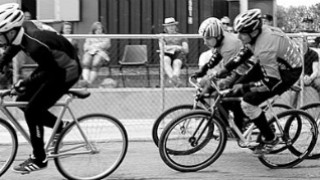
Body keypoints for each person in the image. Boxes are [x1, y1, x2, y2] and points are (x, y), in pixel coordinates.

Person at [0, 3, 82, 173]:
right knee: (22, 100)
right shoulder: (21, 32)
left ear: (11, 31)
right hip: (52, 64)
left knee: (32, 110)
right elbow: (13, 48)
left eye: (0, 35)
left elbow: (49, 73)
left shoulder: (35, 45)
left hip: (66, 72)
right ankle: (60, 127)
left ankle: (39, 158)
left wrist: (24, 83)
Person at [208, 9, 302, 155]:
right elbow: (243, 54)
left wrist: (245, 87)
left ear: (253, 32)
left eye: (242, 33)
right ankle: (247, 121)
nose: (238, 37)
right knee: (235, 87)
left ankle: (271, 138)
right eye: (237, 32)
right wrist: (224, 70)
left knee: (248, 102)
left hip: (287, 73)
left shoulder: (264, 48)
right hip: (274, 62)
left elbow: (270, 82)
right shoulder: (257, 35)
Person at [192, 17, 254, 130]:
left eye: (208, 38)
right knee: (223, 98)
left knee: (222, 97)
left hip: (247, 73)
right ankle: (232, 127)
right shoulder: (222, 38)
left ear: (217, 36)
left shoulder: (229, 47)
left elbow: (230, 74)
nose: (205, 42)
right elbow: (215, 57)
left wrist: (211, 85)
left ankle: (233, 127)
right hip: (240, 71)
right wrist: (203, 70)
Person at [159, 17, 189, 87]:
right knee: (166, 60)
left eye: (172, 25)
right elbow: (162, 47)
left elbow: (186, 49)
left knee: (177, 63)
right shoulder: (162, 36)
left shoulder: (182, 36)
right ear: (165, 27)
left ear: (175, 26)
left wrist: (178, 47)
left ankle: (173, 80)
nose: (171, 27)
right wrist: (173, 47)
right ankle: (176, 81)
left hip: (178, 54)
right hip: (167, 54)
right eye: (169, 26)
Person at [290, 37, 320, 107]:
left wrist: (310, 78)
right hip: (298, 76)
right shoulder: (295, 53)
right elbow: (294, 69)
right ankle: (292, 112)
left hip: (310, 77)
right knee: (294, 87)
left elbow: (315, 70)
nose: (302, 42)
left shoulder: (313, 53)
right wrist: (301, 77)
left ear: (307, 42)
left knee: (319, 83)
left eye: (304, 40)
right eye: (300, 40)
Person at [81, 21, 111, 87]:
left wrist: (93, 46)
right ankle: (85, 80)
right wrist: (95, 46)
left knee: (95, 63)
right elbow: (85, 46)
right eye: (97, 29)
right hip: (90, 52)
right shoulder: (89, 36)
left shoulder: (106, 37)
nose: (99, 30)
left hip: (101, 53)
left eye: (100, 29)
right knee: (86, 62)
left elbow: (105, 45)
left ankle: (89, 82)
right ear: (94, 30)